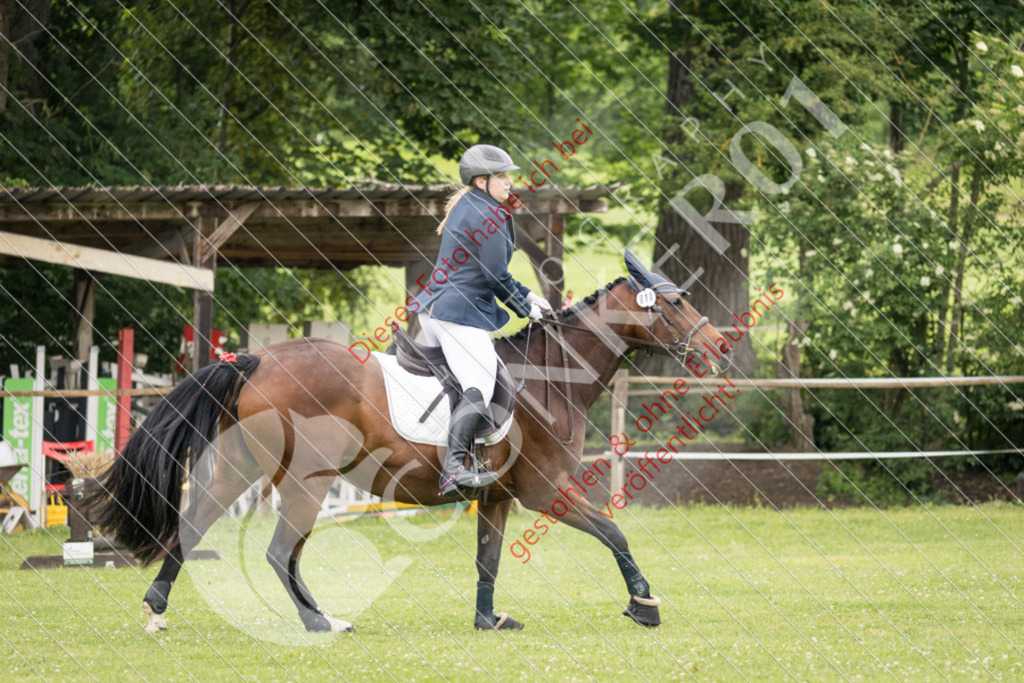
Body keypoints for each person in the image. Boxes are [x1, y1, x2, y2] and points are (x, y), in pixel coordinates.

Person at [412, 144, 553, 497]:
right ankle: (453, 468)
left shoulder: (469, 205)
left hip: (434, 309)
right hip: (458, 315)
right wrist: (525, 307)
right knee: (479, 383)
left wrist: (529, 294)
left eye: (509, 176)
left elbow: (487, 269)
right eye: (502, 177)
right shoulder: (491, 214)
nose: (509, 183)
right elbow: (493, 275)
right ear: (481, 181)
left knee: (447, 385)